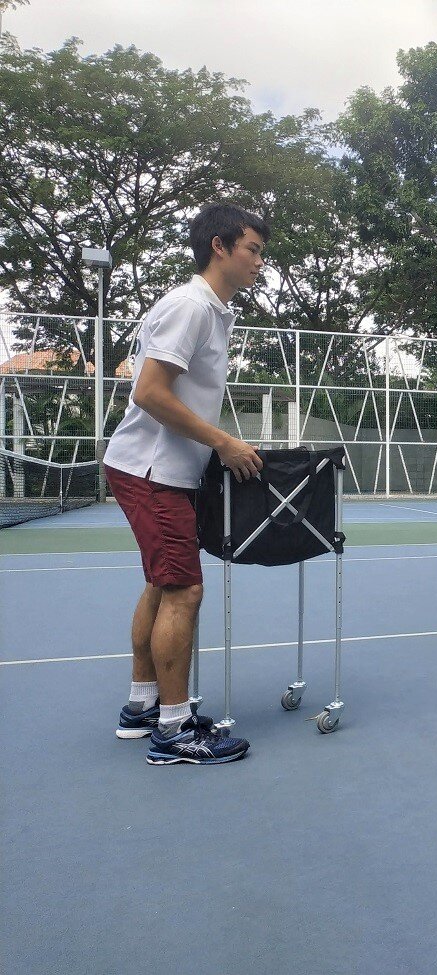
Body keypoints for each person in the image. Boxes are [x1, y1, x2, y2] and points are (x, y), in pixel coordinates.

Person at [104, 203, 267, 765]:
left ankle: (143, 706)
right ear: (220, 246)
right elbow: (149, 392)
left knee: (160, 583)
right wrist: (223, 441)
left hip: (159, 470)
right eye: (253, 250)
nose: (259, 264)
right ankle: (174, 731)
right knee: (183, 589)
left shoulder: (213, 310)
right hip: (153, 471)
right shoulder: (191, 306)